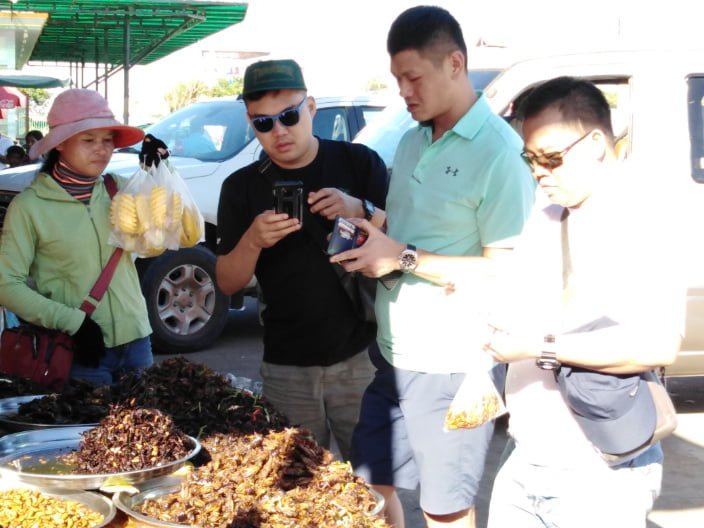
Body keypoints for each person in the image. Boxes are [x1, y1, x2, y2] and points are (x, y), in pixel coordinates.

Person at [329, 6, 535, 528]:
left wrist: (401, 258)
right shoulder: (413, 138)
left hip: (454, 364)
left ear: (456, 64)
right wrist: (363, 217)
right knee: (368, 488)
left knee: (445, 509)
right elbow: (407, 226)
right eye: (397, 79)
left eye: (413, 77)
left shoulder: (499, 155)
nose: (405, 91)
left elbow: (507, 271)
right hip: (395, 355)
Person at [483, 76, 685, 527]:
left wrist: (539, 346)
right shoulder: (548, 207)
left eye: (551, 158)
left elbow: (656, 346)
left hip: (598, 472)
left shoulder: (646, 218)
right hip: (525, 456)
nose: (538, 172)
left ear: (595, 143)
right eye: (530, 158)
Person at [215, 59, 389, 461]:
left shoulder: (360, 163)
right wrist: (253, 241)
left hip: (362, 356)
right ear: (249, 121)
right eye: (263, 123)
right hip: (286, 366)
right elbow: (227, 282)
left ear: (310, 107)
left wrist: (359, 208)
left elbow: (404, 247)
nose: (279, 131)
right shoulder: (240, 187)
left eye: (289, 116)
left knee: (375, 484)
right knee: (296, 492)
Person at [0, 88, 155, 386]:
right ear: (59, 144)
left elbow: (154, 243)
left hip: (137, 342)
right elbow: (7, 286)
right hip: (78, 350)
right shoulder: (29, 207)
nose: (101, 149)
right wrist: (74, 323)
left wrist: (161, 174)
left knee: (147, 432)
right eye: (88, 140)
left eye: (107, 139)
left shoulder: (121, 189)